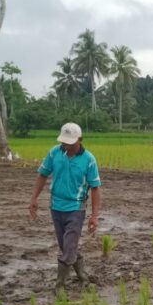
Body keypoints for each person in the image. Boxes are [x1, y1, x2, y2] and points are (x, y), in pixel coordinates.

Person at [29, 122, 102, 292]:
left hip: (76, 209)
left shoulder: (89, 159)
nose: (66, 146)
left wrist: (95, 215)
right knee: (67, 247)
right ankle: (83, 277)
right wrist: (34, 198)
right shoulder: (54, 153)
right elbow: (42, 175)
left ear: (80, 139)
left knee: (68, 248)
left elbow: (96, 188)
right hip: (56, 207)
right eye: (64, 142)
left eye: (70, 143)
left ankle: (59, 286)